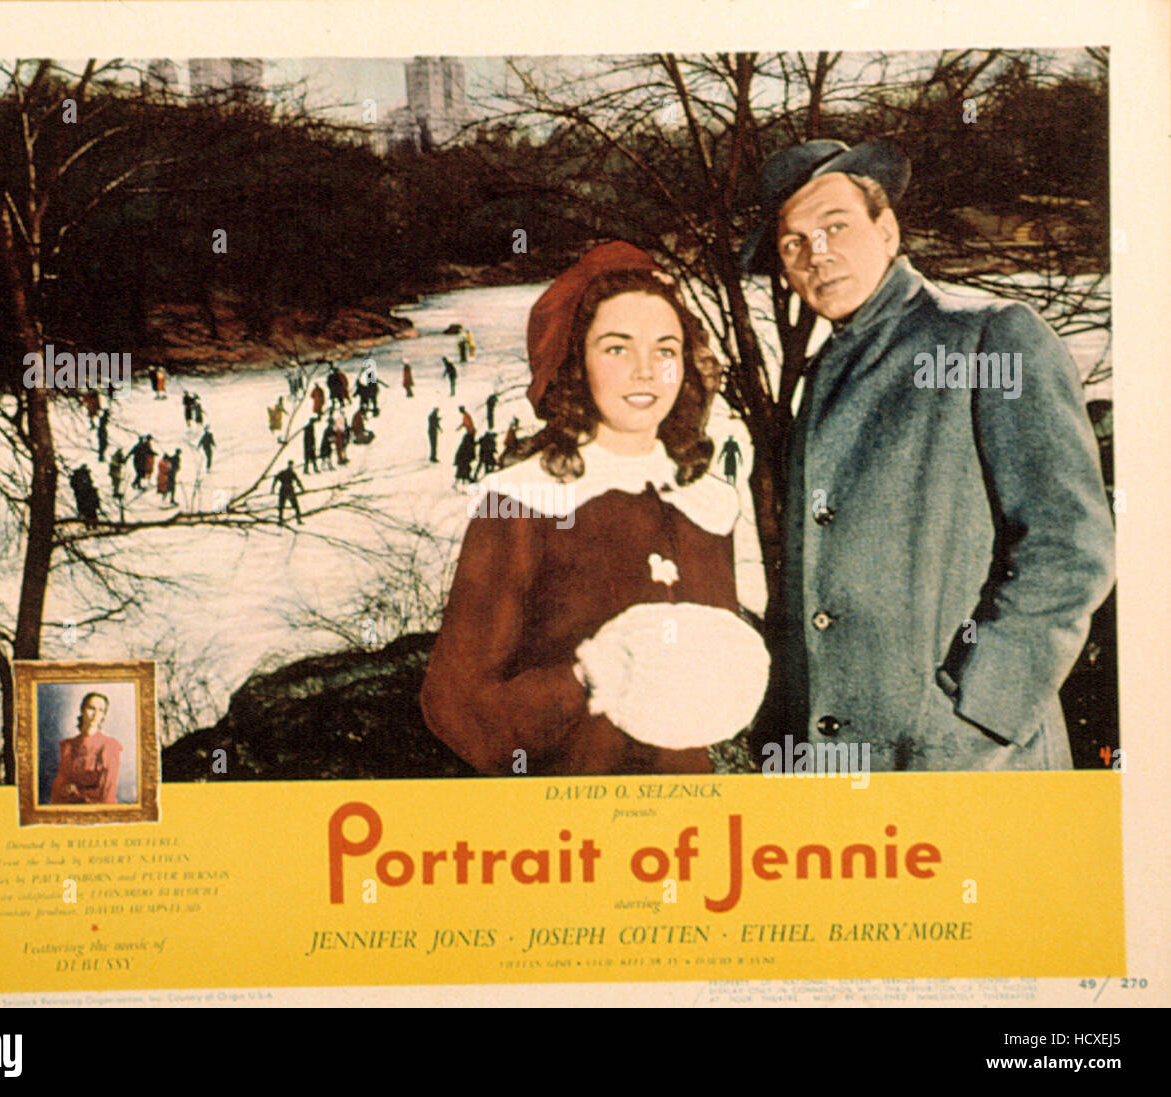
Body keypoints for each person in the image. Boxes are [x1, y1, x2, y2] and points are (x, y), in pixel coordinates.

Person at [737, 139, 1116, 771]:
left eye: (835, 226)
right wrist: (787, 732)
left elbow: (1071, 546)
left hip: (971, 764)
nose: (817, 256)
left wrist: (979, 712)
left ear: (887, 229)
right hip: (842, 775)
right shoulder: (825, 370)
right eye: (793, 243)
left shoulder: (988, 336)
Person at [421, 242, 766, 776]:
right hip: (564, 820)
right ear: (576, 362)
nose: (646, 372)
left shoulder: (707, 501)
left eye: (665, 350)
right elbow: (457, 709)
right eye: (617, 349)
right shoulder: (524, 503)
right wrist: (579, 680)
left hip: (688, 816)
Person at [49, 692, 123, 804]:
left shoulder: (110, 746)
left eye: (101, 710)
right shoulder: (67, 746)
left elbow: (107, 794)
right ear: (82, 710)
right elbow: (58, 789)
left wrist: (76, 793)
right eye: (91, 708)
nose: (96, 714)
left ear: (104, 715)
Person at [70, 464, 100, 528]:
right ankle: (93, 525)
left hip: (83, 497)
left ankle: (89, 525)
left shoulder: (76, 476)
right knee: (91, 512)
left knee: (87, 512)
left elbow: (73, 485)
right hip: (86, 497)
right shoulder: (81, 476)